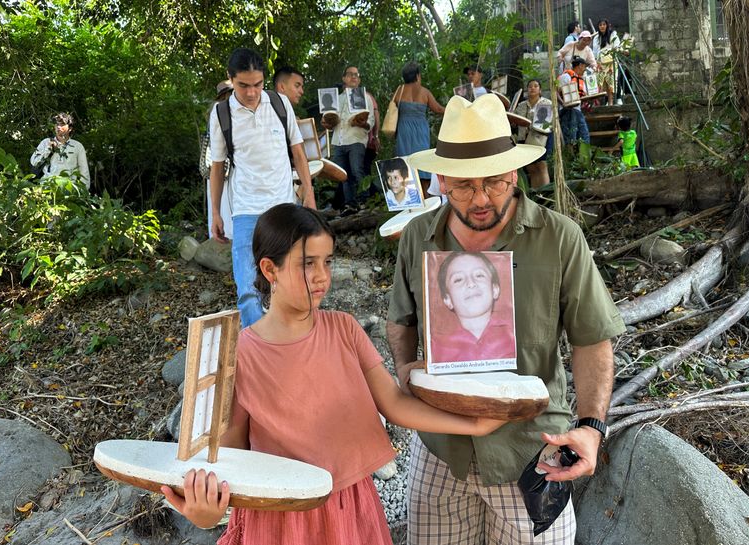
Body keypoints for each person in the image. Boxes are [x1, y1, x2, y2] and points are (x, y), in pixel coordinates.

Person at [162, 203, 505, 545]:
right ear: (270, 269)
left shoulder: (344, 329)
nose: (322, 275)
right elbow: (230, 461)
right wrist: (206, 513)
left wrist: (473, 424)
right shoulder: (241, 356)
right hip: (280, 522)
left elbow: (395, 404)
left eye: (327, 261)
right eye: (307, 263)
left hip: (352, 509)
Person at [386, 93, 626, 545]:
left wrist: (592, 428)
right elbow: (401, 319)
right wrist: (404, 374)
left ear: (514, 172)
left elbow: (592, 339)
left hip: (532, 452)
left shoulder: (559, 238)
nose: (480, 198)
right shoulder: (419, 235)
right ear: (440, 178)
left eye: (494, 183)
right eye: (462, 186)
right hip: (442, 448)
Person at [208, 47, 315, 329]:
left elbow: (298, 152)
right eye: (243, 85)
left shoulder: (280, 104)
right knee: (247, 290)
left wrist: (310, 194)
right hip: (244, 211)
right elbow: (216, 167)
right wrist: (216, 213)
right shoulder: (221, 114)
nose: (252, 92)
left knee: (291, 280)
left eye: (257, 84)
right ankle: (260, 351)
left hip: (284, 208)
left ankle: (294, 340)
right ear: (231, 79)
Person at [429, 252, 515, 363]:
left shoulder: (512, 337)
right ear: (448, 299)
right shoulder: (437, 348)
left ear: (495, 289)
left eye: (479, 275)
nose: (471, 283)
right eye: (458, 279)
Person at [321, 65, 374, 211]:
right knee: (343, 176)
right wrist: (326, 123)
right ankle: (349, 204)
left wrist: (363, 123)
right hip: (338, 140)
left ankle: (365, 202)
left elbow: (371, 122)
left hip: (356, 139)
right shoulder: (335, 99)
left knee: (358, 171)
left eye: (356, 74)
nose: (354, 77)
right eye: (350, 74)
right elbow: (330, 122)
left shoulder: (365, 98)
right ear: (344, 78)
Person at [394, 62, 445, 196]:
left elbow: (393, 110)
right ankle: (426, 195)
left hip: (404, 130)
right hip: (420, 131)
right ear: (417, 76)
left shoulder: (400, 91)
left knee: (406, 162)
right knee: (423, 161)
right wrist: (454, 109)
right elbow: (438, 109)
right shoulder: (424, 92)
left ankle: (409, 198)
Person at [199, 81, 235, 240]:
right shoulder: (221, 111)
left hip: (217, 164)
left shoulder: (216, 110)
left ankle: (218, 233)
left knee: (218, 199)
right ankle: (227, 233)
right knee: (226, 200)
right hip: (223, 164)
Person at [30, 112, 90, 189]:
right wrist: (48, 150)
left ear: (70, 128)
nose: (58, 127)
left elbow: (84, 172)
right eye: (57, 124)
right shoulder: (46, 142)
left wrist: (83, 193)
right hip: (47, 188)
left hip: (68, 189)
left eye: (62, 125)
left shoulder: (77, 146)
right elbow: (34, 162)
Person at [514, 79, 553, 189]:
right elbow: (514, 121)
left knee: (541, 165)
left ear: (540, 90)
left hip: (541, 138)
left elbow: (545, 124)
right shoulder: (521, 105)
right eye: (530, 86)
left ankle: (545, 193)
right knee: (531, 167)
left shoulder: (546, 103)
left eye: (536, 86)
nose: (532, 88)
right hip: (524, 138)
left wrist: (530, 124)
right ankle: (536, 194)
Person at [558, 57, 591, 145]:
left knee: (584, 135)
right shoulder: (565, 77)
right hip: (567, 111)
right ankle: (570, 155)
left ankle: (584, 156)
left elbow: (582, 96)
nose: (585, 70)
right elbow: (555, 93)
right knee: (571, 136)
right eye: (584, 67)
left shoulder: (581, 80)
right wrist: (563, 103)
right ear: (580, 65)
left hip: (578, 110)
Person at [591, 20, 620, 104]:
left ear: (607, 25)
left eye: (604, 24)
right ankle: (601, 103)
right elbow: (595, 52)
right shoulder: (596, 38)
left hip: (611, 62)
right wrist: (595, 62)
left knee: (611, 82)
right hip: (600, 63)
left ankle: (610, 102)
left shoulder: (613, 35)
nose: (602, 26)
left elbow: (616, 47)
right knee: (600, 83)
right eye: (600, 25)